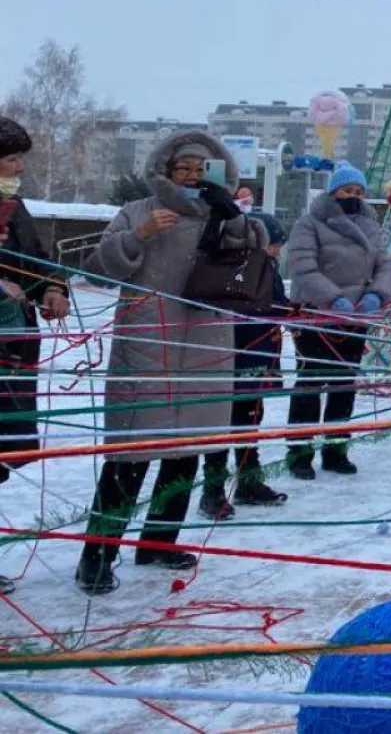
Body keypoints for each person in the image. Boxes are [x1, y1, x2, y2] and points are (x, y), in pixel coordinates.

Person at [75, 131, 265, 595]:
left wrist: (230, 214)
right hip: (148, 341)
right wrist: (138, 236)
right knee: (132, 452)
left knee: (186, 450)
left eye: (203, 171)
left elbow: (254, 257)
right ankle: (97, 555)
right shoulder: (138, 211)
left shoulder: (224, 215)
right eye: (183, 169)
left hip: (205, 341)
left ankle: (159, 542)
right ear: (165, 170)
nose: (192, 178)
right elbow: (100, 267)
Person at [284, 163, 391, 480]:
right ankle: (299, 452)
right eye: (347, 190)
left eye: (359, 192)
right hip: (318, 315)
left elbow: (385, 265)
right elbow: (303, 268)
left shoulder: (371, 226)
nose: (353, 197)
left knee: (344, 384)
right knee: (310, 383)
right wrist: (333, 299)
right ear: (333, 192)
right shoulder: (310, 224)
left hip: (357, 315)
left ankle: (335, 449)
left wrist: (376, 295)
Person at [0, 117, 71, 593]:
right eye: (10, 158)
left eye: (20, 157)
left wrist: (53, 288)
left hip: (14, 346)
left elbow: (36, 259)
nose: (18, 167)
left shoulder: (14, 206)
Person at [198, 211, 290, 518]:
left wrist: (292, 313)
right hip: (234, 355)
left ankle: (249, 482)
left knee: (250, 419)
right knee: (223, 423)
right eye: (274, 243)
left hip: (260, 354)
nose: (277, 249)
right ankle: (212, 491)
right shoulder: (235, 269)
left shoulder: (269, 267)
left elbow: (276, 304)